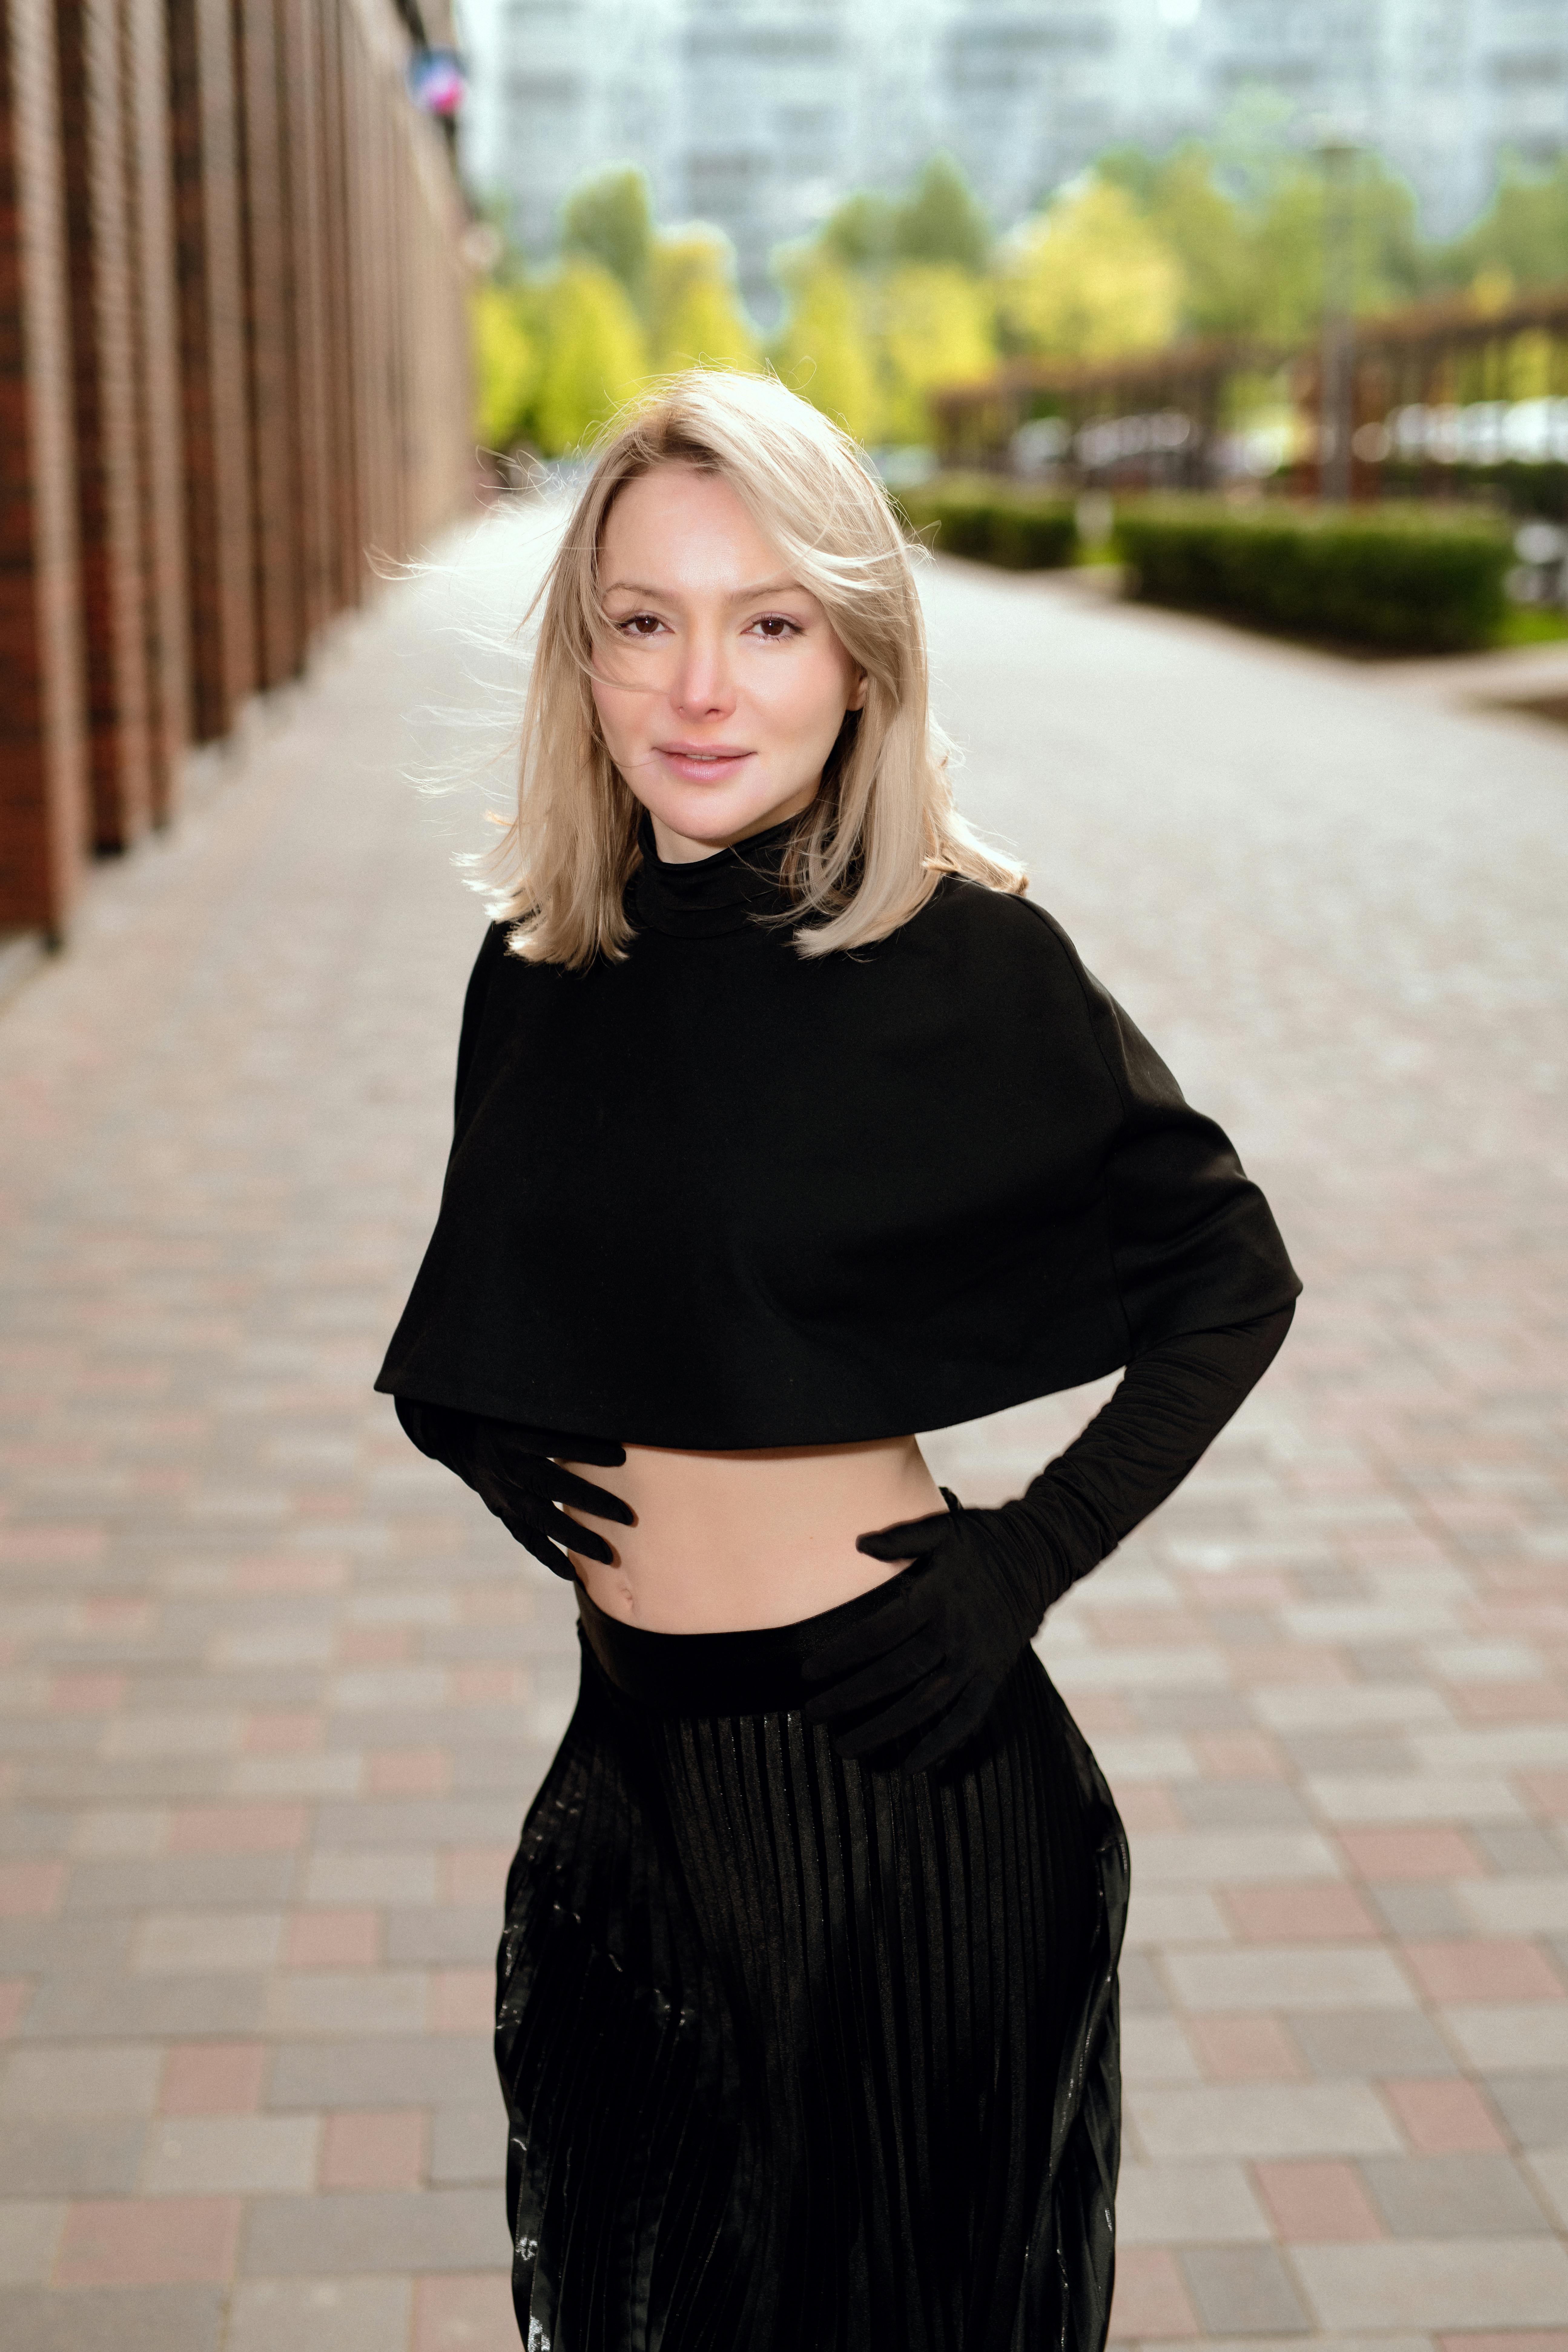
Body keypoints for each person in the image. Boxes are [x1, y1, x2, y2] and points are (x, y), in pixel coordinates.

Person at [378, 370, 1299, 2352]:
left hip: (899, 1800)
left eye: (772, 620)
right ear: (587, 655)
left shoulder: (970, 959)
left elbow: (1233, 1275)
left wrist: (1023, 1560)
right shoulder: (539, 967)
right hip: (631, 1788)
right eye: (647, 619)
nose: (702, 686)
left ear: (861, 661)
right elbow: (512, 1293)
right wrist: (478, 1433)